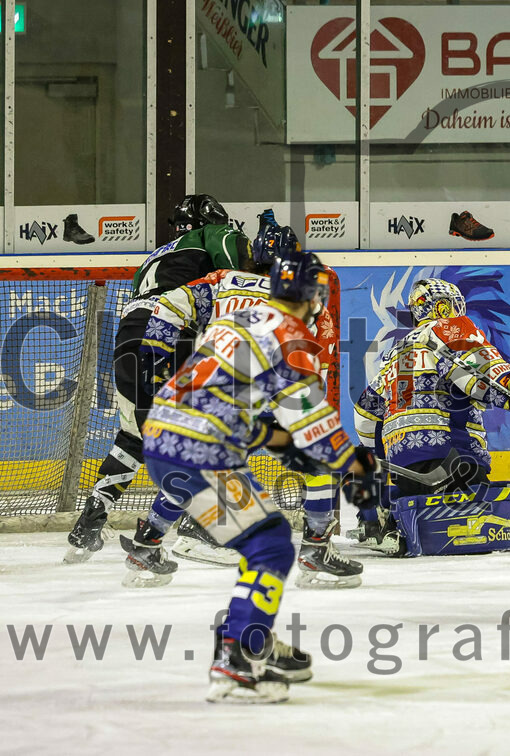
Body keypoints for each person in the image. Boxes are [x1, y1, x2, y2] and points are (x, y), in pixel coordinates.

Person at [130, 245, 374, 703]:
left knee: (258, 539)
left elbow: (223, 402)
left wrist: (284, 446)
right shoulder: (293, 338)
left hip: (163, 445)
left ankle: (250, 635)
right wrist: (356, 466)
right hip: (200, 452)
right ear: (312, 295)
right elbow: (315, 425)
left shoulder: (234, 322)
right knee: (271, 545)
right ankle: (239, 657)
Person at [135, 222, 361, 588]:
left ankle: (148, 542)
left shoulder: (223, 280)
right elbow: (319, 362)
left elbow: (167, 305)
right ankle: (316, 548)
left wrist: (155, 357)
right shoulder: (307, 300)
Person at [64, 194, 252, 564]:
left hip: (127, 336)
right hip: (167, 332)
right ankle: (194, 528)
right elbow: (236, 276)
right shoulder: (212, 233)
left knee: (134, 436)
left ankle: (89, 522)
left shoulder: (154, 255)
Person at [352, 277, 510, 554]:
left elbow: (364, 412)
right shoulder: (449, 328)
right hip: (455, 458)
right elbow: (480, 368)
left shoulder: (392, 355)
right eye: (453, 305)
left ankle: (392, 524)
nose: (458, 311)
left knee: (421, 518)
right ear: (441, 308)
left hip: (405, 468)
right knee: (487, 528)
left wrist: (377, 460)